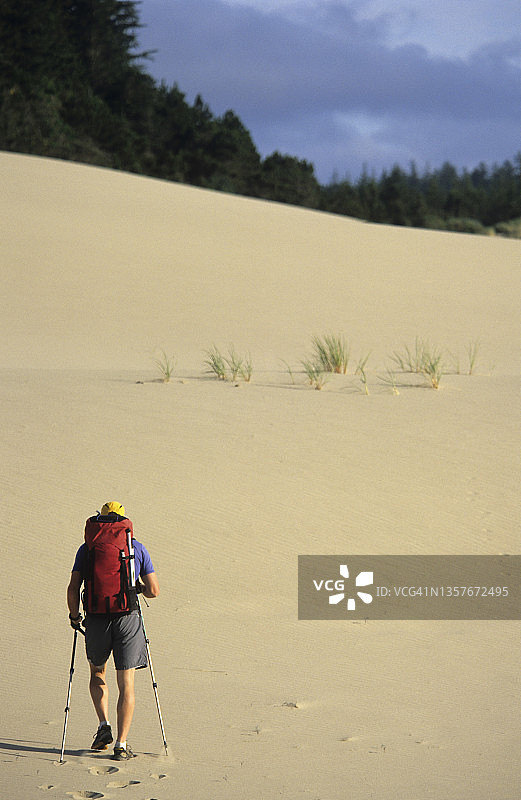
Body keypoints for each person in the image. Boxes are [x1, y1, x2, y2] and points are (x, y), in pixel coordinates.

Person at [67, 501, 160, 761]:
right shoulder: (135, 548)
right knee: (126, 683)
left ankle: (103, 726)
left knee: (98, 672)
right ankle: (121, 744)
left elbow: (73, 588)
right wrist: (136, 589)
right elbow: (154, 590)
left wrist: (75, 617)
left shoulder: (86, 550)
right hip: (127, 618)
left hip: (96, 619)